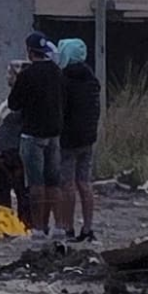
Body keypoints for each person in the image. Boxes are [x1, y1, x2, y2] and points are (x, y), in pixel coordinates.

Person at [9, 32, 65, 237]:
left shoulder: (27, 75)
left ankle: (39, 227)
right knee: (54, 182)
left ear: (30, 52)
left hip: (32, 134)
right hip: (54, 133)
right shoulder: (57, 72)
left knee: (36, 184)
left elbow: (13, 104)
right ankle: (59, 226)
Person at [57, 38, 101, 242]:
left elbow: (61, 110)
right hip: (88, 138)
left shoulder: (64, 81)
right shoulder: (92, 80)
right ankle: (88, 227)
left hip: (68, 139)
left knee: (67, 185)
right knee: (84, 182)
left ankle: (68, 228)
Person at [0, 61, 31, 225]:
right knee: (1, 186)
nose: (7, 77)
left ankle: (24, 223)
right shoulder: (13, 98)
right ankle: (7, 223)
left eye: (10, 73)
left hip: (13, 151)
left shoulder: (21, 100)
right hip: (4, 151)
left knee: (20, 188)